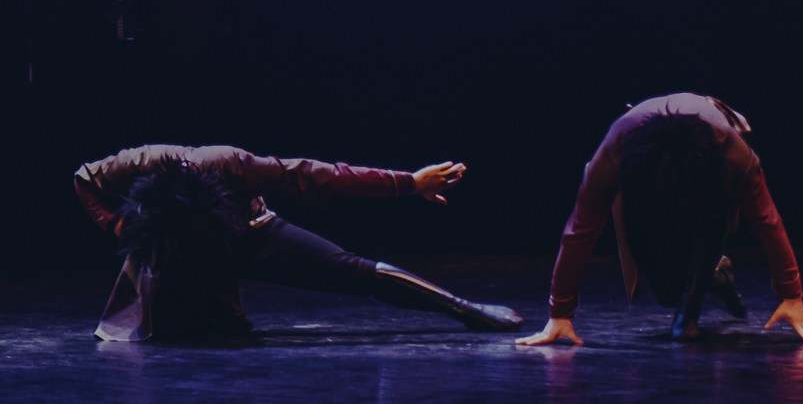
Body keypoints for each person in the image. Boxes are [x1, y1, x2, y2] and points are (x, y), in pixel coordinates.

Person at [73, 144, 521, 341]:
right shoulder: (141, 167)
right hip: (171, 251)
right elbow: (84, 178)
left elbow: (320, 175)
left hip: (253, 235)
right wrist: (114, 224)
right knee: (169, 333)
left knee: (351, 268)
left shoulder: (227, 164)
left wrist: (408, 183)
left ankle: (463, 307)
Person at [517, 93, 803, 347]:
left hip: (707, 176)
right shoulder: (614, 155)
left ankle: (689, 316)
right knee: (666, 293)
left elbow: (767, 220)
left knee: (704, 235)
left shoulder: (731, 153)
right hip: (646, 178)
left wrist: (791, 295)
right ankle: (713, 274)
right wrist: (560, 313)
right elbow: (580, 231)